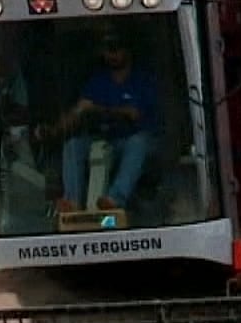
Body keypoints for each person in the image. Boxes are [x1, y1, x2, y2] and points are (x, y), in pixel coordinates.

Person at [41, 29, 160, 212]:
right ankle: (72, 201)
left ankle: (115, 198)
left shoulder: (141, 79)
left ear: (127, 50)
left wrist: (98, 109)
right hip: (105, 139)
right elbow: (79, 110)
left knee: (138, 143)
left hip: (134, 139)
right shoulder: (99, 80)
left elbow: (133, 114)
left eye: (115, 49)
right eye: (107, 50)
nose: (111, 54)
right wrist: (53, 130)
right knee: (73, 144)